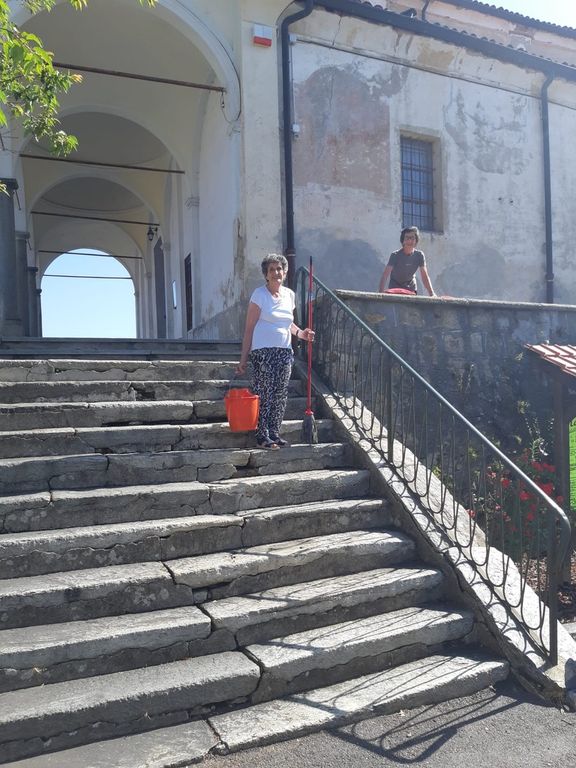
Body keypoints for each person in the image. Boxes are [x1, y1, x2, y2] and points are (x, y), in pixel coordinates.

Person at [237, 254, 315, 449]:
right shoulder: (259, 295)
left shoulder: (289, 295)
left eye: (279, 269)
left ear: (285, 272)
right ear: (266, 274)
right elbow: (249, 328)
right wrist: (243, 358)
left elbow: (288, 324)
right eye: (271, 269)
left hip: (284, 351)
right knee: (265, 392)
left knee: (280, 393)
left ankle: (274, 432)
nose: (276, 272)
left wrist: (302, 334)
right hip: (262, 351)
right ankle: (262, 435)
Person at [378, 226, 436, 296]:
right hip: (395, 288)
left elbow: (424, 276)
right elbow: (385, 275)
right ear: (403, 240)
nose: (409, 241)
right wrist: (380, 293)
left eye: (412, 238)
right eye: (407, 238)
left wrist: (431, 293)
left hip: (411, 289)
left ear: (416, 240)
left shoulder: (419, 255)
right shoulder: (395, 255)